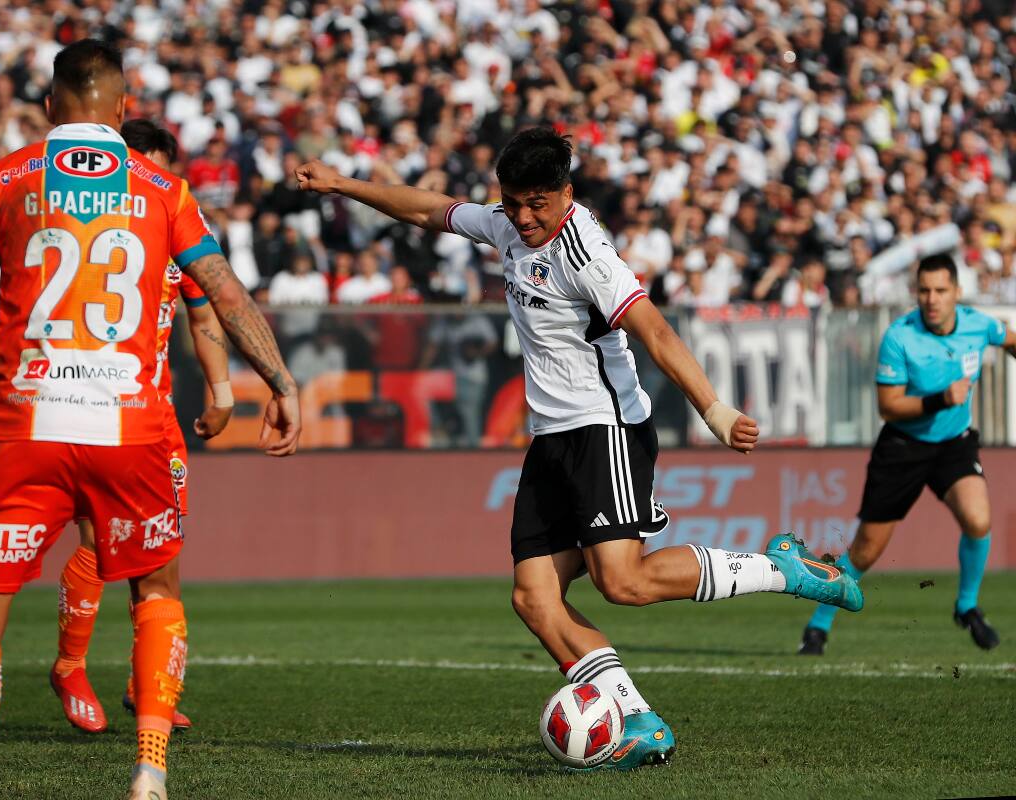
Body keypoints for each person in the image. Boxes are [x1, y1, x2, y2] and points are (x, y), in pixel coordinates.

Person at [296, 128, 863, 770]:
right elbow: (430, 208)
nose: (526, 218)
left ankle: (783, 570)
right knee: (534, 598)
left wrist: (713, 408)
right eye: (514, 204)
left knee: (621, 581)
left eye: (539, 203)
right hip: (550, 436)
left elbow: (653, 329)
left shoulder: (586, 252)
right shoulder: (509, 225)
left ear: (567, 193)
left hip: (605, 426)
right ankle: (639, 720)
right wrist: (343, 184)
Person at [0, 40, 300, 800]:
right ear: (122, 107)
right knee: (157, 590)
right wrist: (279, 381)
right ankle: (149, 766)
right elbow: (224, 293)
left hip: (25, 424)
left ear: (50, 106)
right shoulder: (163, 188)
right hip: (132, 425)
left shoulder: (5, 180)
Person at [49, 118, 234, 735]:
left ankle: (142, 681)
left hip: (157, 421)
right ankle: (70, 665)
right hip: (91, 407)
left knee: (161, 556)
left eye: (155, 169)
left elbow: (204, 317)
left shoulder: (177, 234)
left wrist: (222, 388)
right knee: (99, 545)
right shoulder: (88, 229)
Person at [799, 254, 1016, 655]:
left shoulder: (978, 324)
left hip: (954, 443)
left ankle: (966, 606)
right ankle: (817, 626)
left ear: (957, 293)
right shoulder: (899, 336)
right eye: (924, 291)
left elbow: (1010, 339)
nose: (932, 299)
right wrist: (939, 399)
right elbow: (889, 406)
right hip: (902, 448)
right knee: (866, 549)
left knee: (978, 519)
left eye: (940, 290)